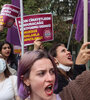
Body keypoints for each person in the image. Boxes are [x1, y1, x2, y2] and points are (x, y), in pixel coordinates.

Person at [17, 50, 90, 100]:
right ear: (26, 80)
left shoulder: (67, 96)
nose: (50, 78)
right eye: (41, 73)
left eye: (52, 71)